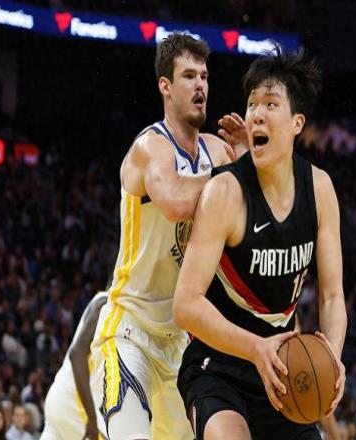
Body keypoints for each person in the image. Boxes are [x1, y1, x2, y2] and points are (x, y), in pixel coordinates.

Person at [173, 47, 347, 439]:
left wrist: (332, 357)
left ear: (297, 123)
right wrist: (255, 348)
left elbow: (333, 296)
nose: (257, 114)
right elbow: (185, 305)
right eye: (252, 104)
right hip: (217, 368)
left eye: (271, 103)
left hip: (284, 374)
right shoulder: (225, 192)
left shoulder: (319, 189)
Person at [89, 33, 246, 440]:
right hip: (130, 332)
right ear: (165, 86)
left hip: (182, 344)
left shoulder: (217, 150)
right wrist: (235, 177)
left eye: (205, 76)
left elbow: (257, 210)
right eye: (189, 76)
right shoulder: (151, 147)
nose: (200, 85)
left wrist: (249, 158)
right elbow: (176, 200)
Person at [40, 292, 108, 440]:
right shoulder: (106, 303)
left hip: (59, 397)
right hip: (73, 403)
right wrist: (92, 418)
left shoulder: (100, 301)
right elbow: (76, 354)